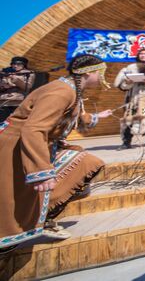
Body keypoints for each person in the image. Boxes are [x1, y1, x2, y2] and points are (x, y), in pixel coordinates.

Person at [0, 54, 111, 253]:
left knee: (86, 162)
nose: (103, 77)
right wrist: (40, 170)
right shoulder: (61, 92)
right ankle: (11, 237)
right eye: (101, 72)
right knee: (12, 196)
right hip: (16, 145)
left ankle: (42, 217)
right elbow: (33, 128)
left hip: (33, 144)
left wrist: (97, 117)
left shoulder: (71, 90)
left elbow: (74, 118)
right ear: (91, 72)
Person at [0, 56, 34, 121]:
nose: (15, 66)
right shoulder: (5, 72)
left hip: (17, 102)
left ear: (24, 65)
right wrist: (3, 86)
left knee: (12, 123)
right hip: (3, 102)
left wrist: (14, 78)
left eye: (18, 64)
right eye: (13, 64)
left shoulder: (28, 73)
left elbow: (28, 86)